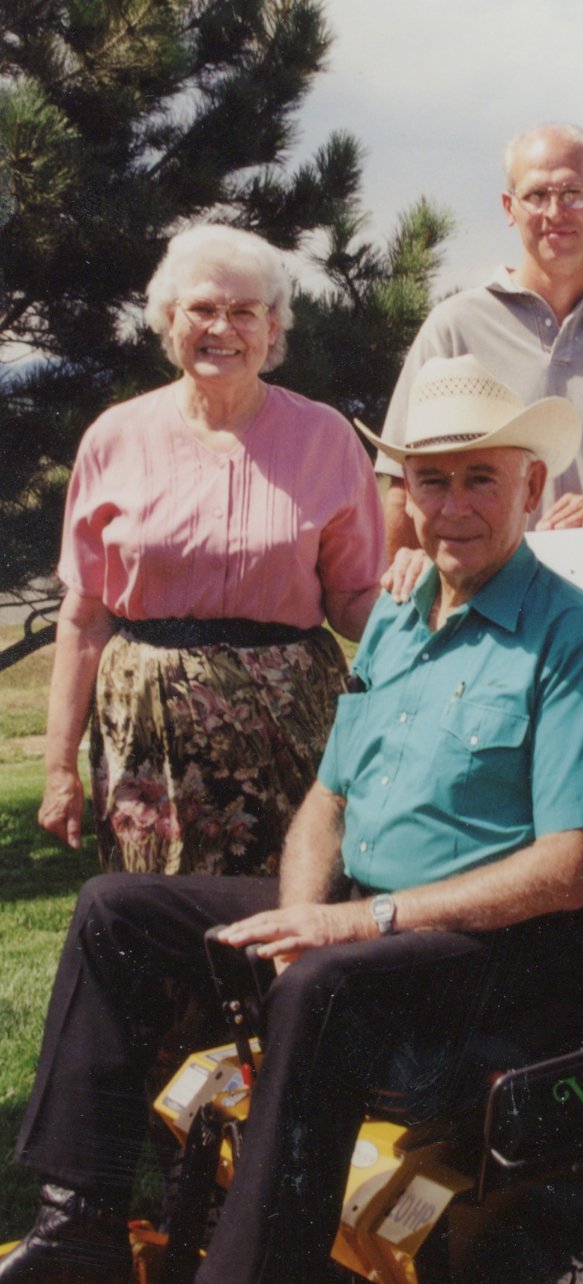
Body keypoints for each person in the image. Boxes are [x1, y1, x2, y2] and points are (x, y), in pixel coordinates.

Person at [0, 355, 583, 1284]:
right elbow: (328, 798)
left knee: (326, 987)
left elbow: (565, 870)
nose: (450, 509)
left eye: (479, 480)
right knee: (116, 909)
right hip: (369, 915)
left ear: (531, 489)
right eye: (429, 481)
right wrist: (304, 914)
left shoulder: (572, 640)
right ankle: (77, 1220)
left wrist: (354, 924)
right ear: (404, 493)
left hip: (500, 948)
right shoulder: (399, 619)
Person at [39, 223, 385, 876]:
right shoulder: (113, 438)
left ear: (273, 329)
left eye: (244, 312)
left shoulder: (326, 438)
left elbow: (354, 598)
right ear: (169, 321)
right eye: (201, 308)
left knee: (294, 910)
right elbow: (84, 619)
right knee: (157, 917)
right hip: (147, 737)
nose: (221, 328)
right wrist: (58, 769)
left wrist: (431, 621)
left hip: (291, 731)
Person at [377, 121, 583, 578]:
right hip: (482, 606)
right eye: (535, 196)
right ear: (509, 208)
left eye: (573, 192)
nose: (555, 211)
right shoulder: (455, 326)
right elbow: (401, 487)